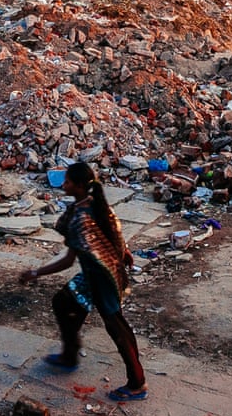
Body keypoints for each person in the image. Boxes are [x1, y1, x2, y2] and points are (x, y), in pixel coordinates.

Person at [20, 162, 147, 402]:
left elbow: (68, 261)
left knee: (117, 328)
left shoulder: (80, 219)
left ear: (78, 186)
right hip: (99, 273)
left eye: (67, 181)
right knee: (64, 302)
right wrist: (124, 252)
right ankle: (69, 354)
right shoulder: (94, 205)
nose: (64, 185)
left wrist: (36, 273)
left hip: (102, 279)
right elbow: (114, 232)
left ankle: (137, 383)